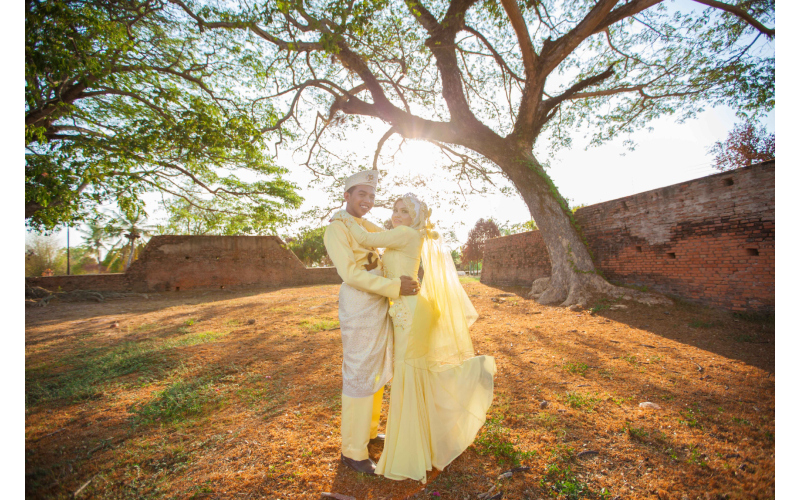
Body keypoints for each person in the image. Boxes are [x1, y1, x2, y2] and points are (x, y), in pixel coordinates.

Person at [331, 193, 496, 483]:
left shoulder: (405, 234)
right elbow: (372, 235)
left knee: (408, 373)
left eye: (404, 211)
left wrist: (344, 216)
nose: (396, 215)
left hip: (409, 311)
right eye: (395, 210)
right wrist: (353, 219)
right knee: (407, 373)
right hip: (403, 308)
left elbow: (368, 237)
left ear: (415, 218)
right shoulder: (407, 232)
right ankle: (407, 436)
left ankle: (412, 443)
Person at [322, 170, 420, 475]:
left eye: (372, 195)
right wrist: (395, 287)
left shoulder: (364, 225)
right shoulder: (336, 230)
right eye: (361, 194)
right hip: (359, 305)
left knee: (377, 368)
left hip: (379, 304)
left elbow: (398, 237)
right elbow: (350, 274)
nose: (368, 200)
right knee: (359, 372)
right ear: (347, 196)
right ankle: (352, 450)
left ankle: (367, 432)